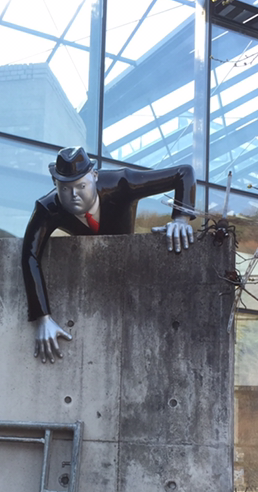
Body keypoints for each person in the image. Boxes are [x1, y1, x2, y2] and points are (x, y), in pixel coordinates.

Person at [22, 146, 196, 363]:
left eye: (81, 186)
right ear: (54, 184)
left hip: (131, 267)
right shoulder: (47, 208)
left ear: (94, 176)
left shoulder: (122, 182)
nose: (74, 195)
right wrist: (43, 317)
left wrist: (180, 219)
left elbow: (184, 173)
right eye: (65, 188)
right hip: (91, 271)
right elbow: (30, 255)